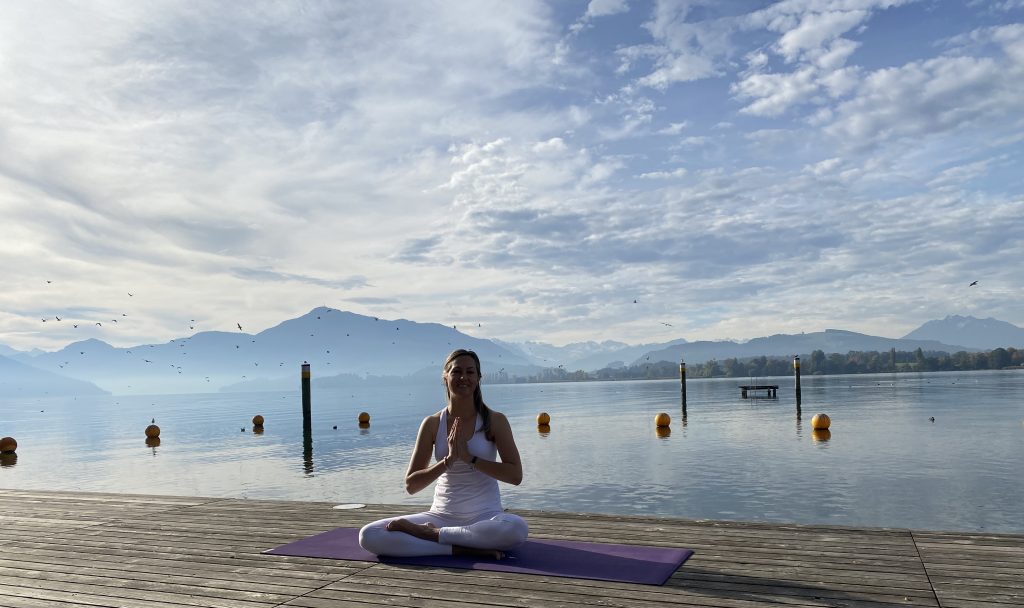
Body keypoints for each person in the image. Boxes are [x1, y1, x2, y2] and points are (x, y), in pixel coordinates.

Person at [358, 349, 528, 559]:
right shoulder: (431, 424)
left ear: (478, 378)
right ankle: (459, 547)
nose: (463, 377)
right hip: (440, 515)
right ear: (445, 377)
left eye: (470, 372)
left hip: (486, 517)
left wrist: (470, 458)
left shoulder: (495, 420)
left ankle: (432, 535)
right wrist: (447, 462)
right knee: (369, 535)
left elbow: (515, 475)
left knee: (516, 528)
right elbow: (412, 485)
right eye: (456, 372)